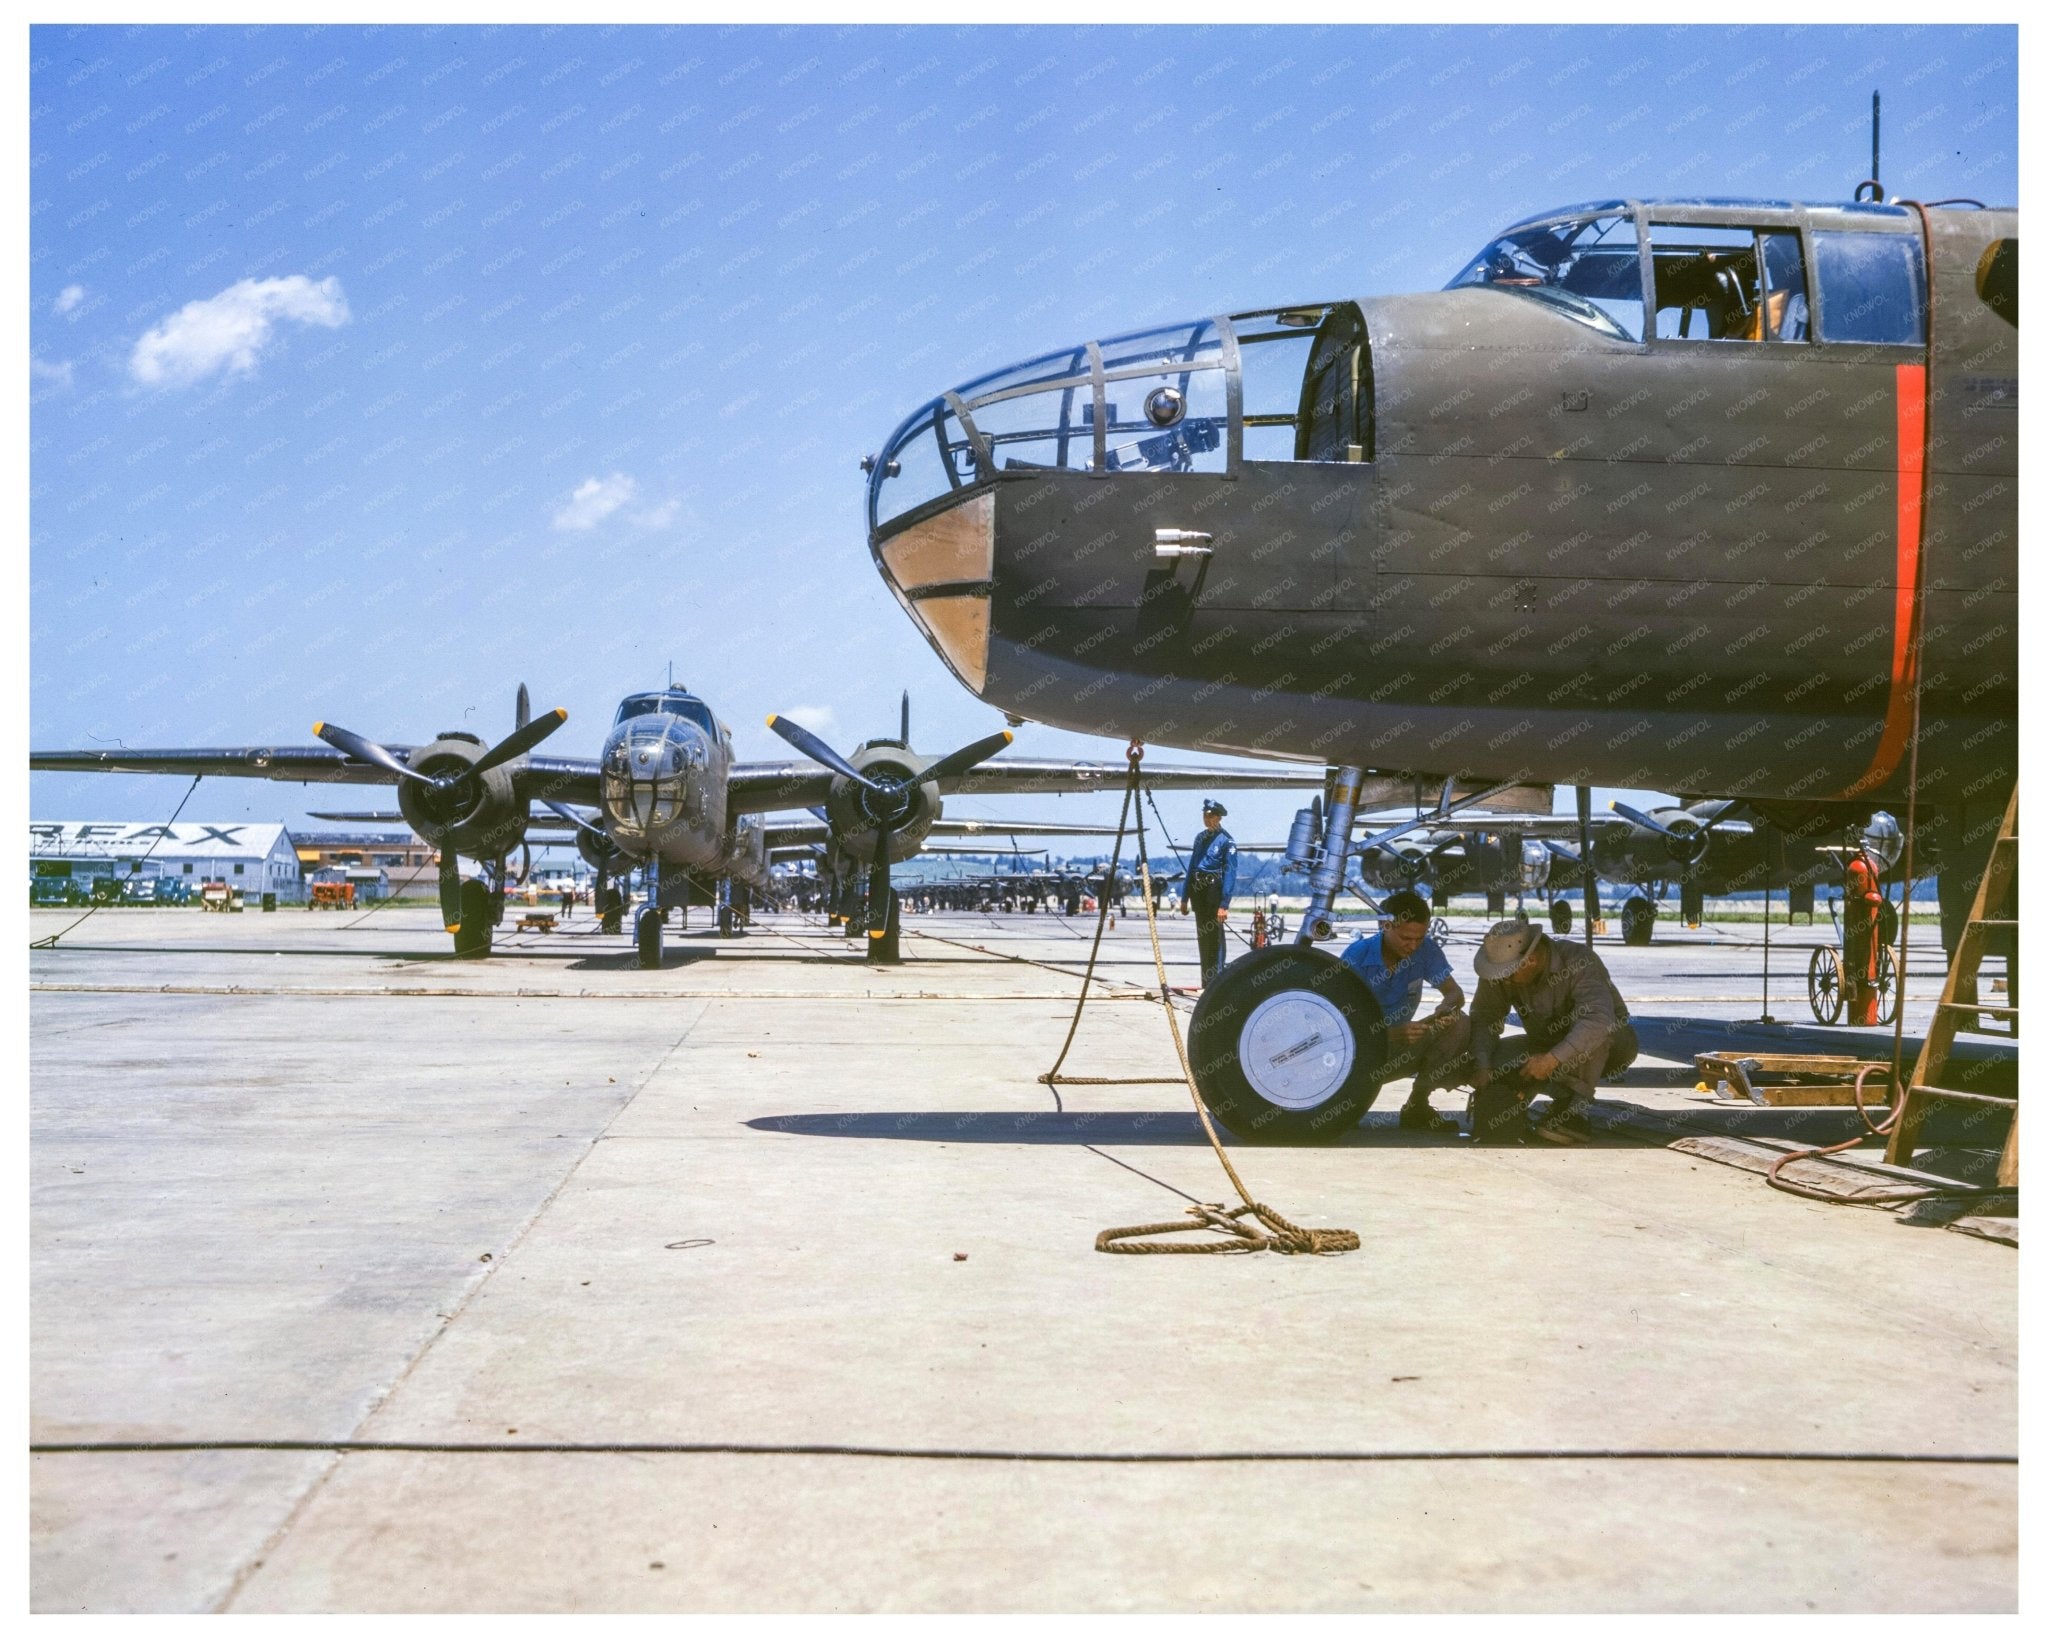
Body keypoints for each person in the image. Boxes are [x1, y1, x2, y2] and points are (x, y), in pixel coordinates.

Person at [1467, 919, 1638, 1145]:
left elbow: (1598, 1020)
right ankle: (1516, 1102)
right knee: (1491, 1061)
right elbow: (1485, 1018)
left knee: (1595, 1032)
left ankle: (1575, 1110)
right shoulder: (1503, 970)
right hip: (1544, 1043)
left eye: (1507, 976)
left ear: (1532, 960)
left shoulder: (1579, 961)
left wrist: (1552, 1059)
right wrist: (1483, 1065)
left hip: (1608, 1046)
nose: (1502, 982)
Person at [1339, 890, 1469, 1133]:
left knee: (1459, 1024)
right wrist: (1390, 1034)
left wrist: (1443, 1011)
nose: (1413, 946)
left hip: (1396, 1048)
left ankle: (1417, 1106)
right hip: (1355, 1054)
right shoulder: (1356, 957)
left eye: (1419, 938)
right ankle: (1345, 1101)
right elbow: (1337, 1027)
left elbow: (1455, 994)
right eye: (1406, 938)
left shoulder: (1426, 950)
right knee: (1339, 1122)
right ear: (1385, 925)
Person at [1182, 799, 1237, 986]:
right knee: (1203, 938)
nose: (1207, 819)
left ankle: (1217, 981)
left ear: (1219, 817)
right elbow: (1192, 867)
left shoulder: (1226, 841)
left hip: (1214, 892)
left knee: (1215, 940)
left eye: (1211, 816)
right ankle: (1207, 981)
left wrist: (1224, 904)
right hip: (1199, 892)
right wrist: (1184, 897)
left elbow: (1230, 872)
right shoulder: (1200, 838)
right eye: (1205, 815)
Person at [1842, 826, 1886, 1027]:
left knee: (1868, 957)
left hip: (1865, 911)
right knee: (1857, 954)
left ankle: (1866, 1012)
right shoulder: (1859, 867)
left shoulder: (1861, 866)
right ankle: (1857, 1003)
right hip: (1859, 911)